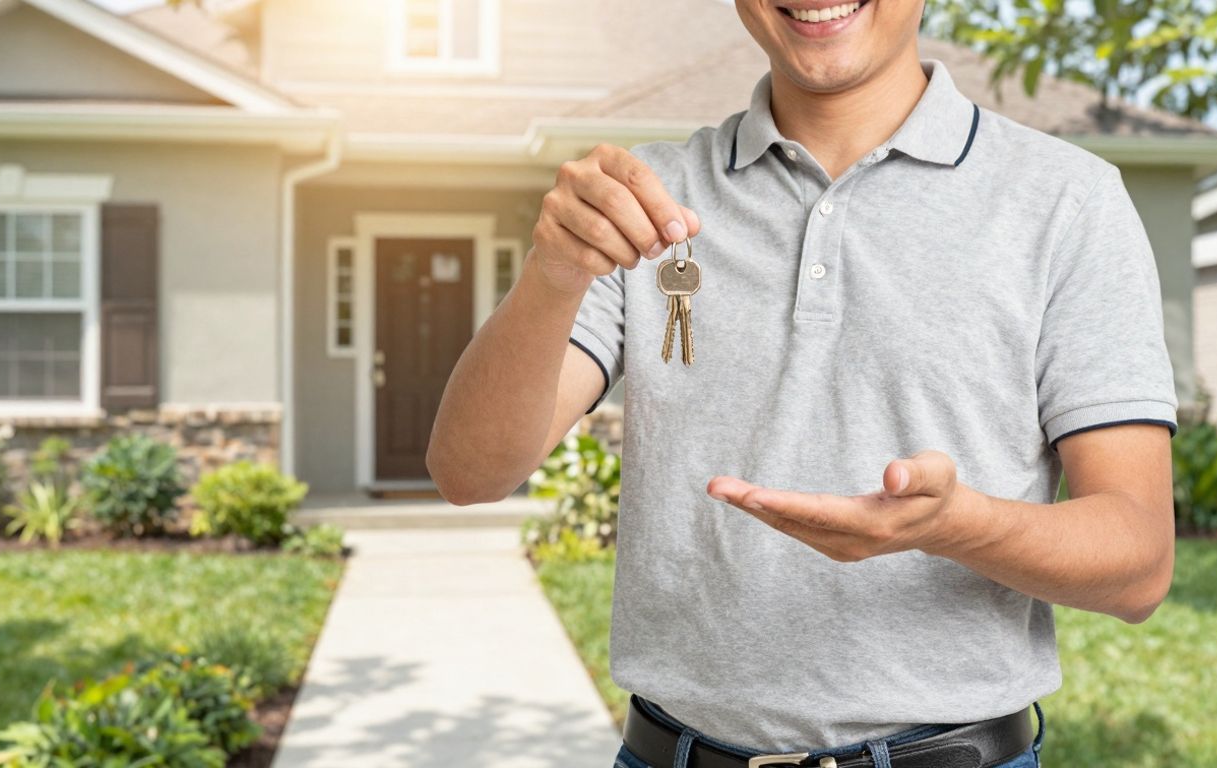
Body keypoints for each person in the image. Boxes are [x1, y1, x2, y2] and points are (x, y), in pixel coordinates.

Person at [426, 0, 1179, 766]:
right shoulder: (646, 200)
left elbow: (1140, 564)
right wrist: (553, 275)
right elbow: (470, 471)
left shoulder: (1067, 202)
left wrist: (956, 525)